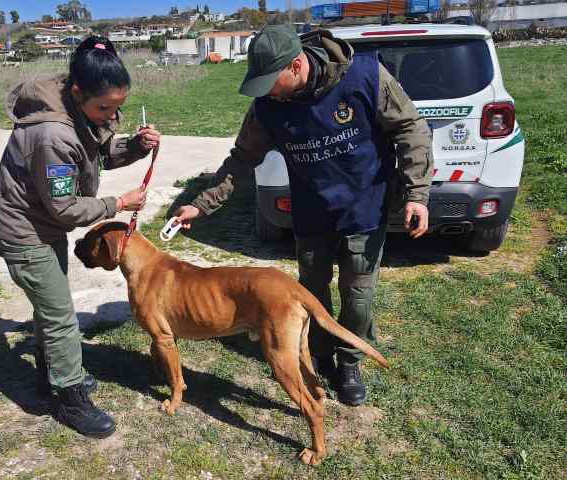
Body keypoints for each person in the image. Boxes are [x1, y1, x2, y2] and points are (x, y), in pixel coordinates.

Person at [175, 25, 432, 406]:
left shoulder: (364, 76)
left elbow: (411, 128)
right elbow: (242, 159)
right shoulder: (267, 107)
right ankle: (319, 352)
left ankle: (349, 363)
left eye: (270, 81)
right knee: (311, 294)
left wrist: (417, 193)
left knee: (357, 298)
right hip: (312, 216)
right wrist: (202, 203)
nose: (265, 91)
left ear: (296, 65)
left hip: (365, 211)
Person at [0, 36, 160, 438]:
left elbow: (98, 154)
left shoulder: (80, 110)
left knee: (52, 308)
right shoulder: (51, 135)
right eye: (105, 108)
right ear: (78, 91)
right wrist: (118, 203)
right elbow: (64, 208)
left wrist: (134, 146)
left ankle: (52, 376)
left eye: (119, 107)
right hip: (24, 231)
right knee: (62, 316)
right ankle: (69, 399)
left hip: (43, 226)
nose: (112, 116)